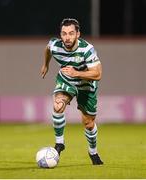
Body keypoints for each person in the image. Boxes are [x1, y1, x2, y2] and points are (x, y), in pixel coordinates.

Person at [41, 18, 103, 165]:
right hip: (66, 80)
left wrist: (77, 73)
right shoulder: (55, 45)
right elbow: (48, 49)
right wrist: (45, 65)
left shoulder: (87, 49)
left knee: (88, 123)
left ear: (78, 34)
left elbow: (98, 74)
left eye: (71, 33)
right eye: (64, 33)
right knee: (57, 105)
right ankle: (59, 143)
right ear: (60, 34)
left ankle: (93, 152)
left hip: (86, 85)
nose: (67, 37)